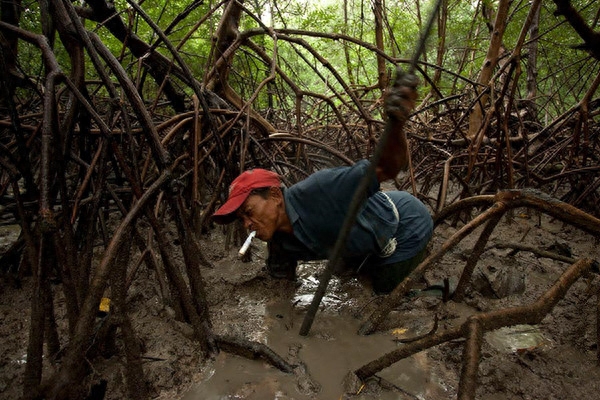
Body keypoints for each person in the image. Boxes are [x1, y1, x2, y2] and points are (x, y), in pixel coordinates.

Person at [212, 71, 433, 294]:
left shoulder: (322, 190)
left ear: (275, 195)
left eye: (249, 212)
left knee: (383, 300)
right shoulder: (277, 243)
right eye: (242, 219)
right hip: (362, 235)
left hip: (404, 225)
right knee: (345, 276)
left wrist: (395, 123)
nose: (247, 224)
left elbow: (387, 168)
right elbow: (280, 291)